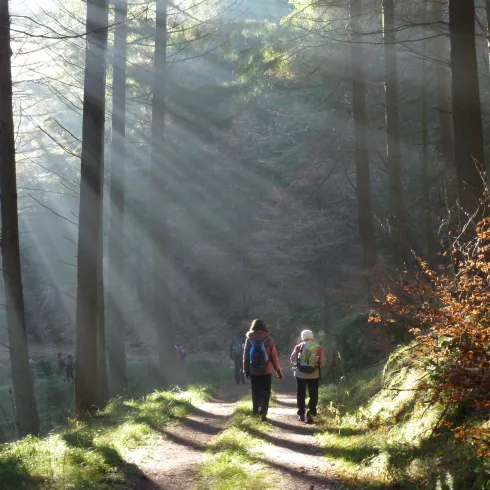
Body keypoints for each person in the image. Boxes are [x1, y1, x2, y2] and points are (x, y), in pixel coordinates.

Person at [243, 318, 284, 421]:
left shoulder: (249, 339)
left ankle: (255, 412)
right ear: (264, 327)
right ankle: (263, 413)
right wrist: (278, 371)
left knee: (255, 391)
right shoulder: (268, 339)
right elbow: (274, 357)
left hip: (253, 370)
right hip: (266, 370)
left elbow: (246, 356)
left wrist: (246, 371)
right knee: (266, 391)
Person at [290, 329, 327, 423]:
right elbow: (323, 362)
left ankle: (301, 413)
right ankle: (311, 413)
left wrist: (298, 364)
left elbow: (292, 359)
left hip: (300, 374)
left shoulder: (298, 347)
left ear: (302, 337)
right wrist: (316, 365)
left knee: (301, 394)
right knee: (313, 394)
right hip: (314, 375)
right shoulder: (317, 347)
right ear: (312, 337)